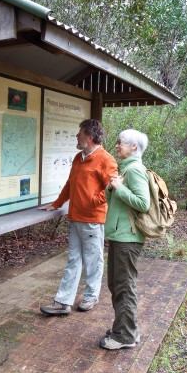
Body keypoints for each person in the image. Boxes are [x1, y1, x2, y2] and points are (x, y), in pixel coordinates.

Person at [38, 119, 118, 315]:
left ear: (89, 136)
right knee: (73, 259)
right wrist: (56, 204)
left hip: (92, 220)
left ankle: (91, 297)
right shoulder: (78, 158)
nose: (76, 136)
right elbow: (70, 185)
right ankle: (63, 302)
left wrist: (92, 200)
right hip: (75, 218)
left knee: (93, 260)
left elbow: (114, 188)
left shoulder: (106, 160)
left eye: (79, 133)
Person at [100, 129, 151, 350]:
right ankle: (127, 329)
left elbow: (143, 203)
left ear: (134, 147)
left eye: (121, 143)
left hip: (127, 238)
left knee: (124, 286)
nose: (117, 146)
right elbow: (116, 202)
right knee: (117, 283)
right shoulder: (127, 170)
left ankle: (124, 337)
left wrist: (119, 188)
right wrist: (113, 187)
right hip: (121, 236)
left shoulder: (135, 170)